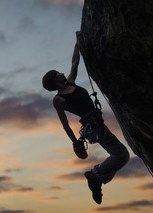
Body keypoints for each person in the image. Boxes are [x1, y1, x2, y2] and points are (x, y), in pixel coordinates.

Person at [42, 32, 129, 204]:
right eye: (57, 73)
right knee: (122, 156)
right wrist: (75, 142)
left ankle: (98, 179)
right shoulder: (59, 99)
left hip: (98, 124)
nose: (61, 73)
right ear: (54, 81)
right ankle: (94, 174)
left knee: (117, 157)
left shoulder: (70, 83)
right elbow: (65, 124)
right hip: (93, 127)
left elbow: (74, 62)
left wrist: (78, 42)